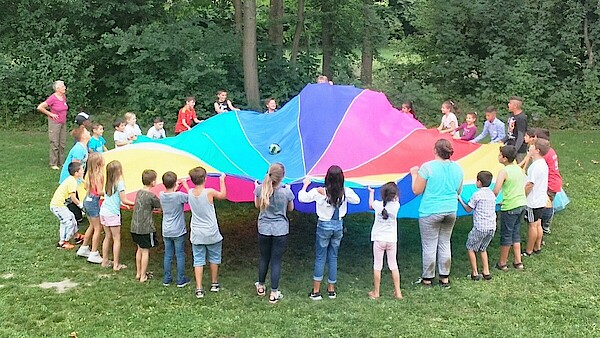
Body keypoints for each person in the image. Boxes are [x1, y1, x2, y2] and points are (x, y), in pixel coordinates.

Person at [299, 165, 360, 300]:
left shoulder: (319, 192)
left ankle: (316, 291)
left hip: (324, 226)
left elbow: (302, 198)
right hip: (338, 225)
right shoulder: (345, 192)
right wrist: (345, 189)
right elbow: (357, 200)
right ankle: (331, 290)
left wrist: (305, 185)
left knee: (321, 257)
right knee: (333, 256)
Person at [410, 139, 464, 288]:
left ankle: (428, 278)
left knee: (429, 245)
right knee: (445, 242)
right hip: (451, 210)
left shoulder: (427, 168)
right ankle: (444, 278)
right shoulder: (458, 168)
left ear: (435, 150)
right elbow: (458, 191)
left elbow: (416, 190)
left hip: (430, 211)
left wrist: (414, 174)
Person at [253, 163, 295, 304]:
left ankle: (261, 286)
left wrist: (256, 190)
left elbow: (258, 206)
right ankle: (274, 293)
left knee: (264, 258)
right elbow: (290, 209)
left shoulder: (260, 189)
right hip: (280, 230)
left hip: (264, 229)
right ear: (282, 176)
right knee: (276, 261)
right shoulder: (286, 192)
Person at [188, 167, 227, 298]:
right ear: (205, 179)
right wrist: (222, 180)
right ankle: (214, 283)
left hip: (197, 233)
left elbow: (188, 189)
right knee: (214, 257)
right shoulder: (209, 192)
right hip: (211, 232)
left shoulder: (190, 193)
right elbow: (223, 195)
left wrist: (183, 183)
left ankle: (199, 288)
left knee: (198, 259)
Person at [492, 145, 527, 272]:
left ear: (505, 158)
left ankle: (502, 263)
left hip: (510, 206)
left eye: (500, 155)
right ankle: (518, 262)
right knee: (515, 233)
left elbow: (496, 190)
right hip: (521, 203)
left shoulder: (504, 172)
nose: (498, 157)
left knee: (506, 235)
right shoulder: (518, 168)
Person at [458, 171, 496, 281]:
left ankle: (475, 273)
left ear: (479, 182)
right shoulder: (492, 195)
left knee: (470, 247)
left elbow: (468, 209)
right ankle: (486, 271)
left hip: (480, 227)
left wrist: (459, 198)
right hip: (491, 227)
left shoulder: (477, 195)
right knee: (483, 248)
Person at [367, 183, 402, 300]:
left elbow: (370, 205)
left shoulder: (378, 205)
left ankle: (376, 292)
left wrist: (371, 192)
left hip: (378, 239)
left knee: (377, 265)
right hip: (391, 239)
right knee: (393, 265)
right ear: (395, 195)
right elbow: (397, 199)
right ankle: (398, 292)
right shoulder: (396, 206)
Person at [100, 160, 135, 271]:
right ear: (119, 171)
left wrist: (121, 203)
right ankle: (116, 264)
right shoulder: (120, 183)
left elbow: (112, 197)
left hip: (104, 211)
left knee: (107, 236)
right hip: (112, 214)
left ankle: (105, 260)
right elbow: (124, 199)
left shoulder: (108, 182)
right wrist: (135, 203)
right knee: (116, 238)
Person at [160, 171, 191, 287]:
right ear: (175, 183)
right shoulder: (179, 196)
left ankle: (167, 278)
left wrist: (175, 188)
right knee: (180, 255)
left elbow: (171, 195)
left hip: (166, 230)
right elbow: (192, 197)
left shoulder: (162, 195)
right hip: (178, 230)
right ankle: (180, 279)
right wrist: (185, 185)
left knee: (167, 255)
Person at [131, 169, 162, 283]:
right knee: (145, 251)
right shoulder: (151, 196)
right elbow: (160, 206)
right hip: (145, 228)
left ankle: (139, 273)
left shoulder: (139, 192)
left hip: (134, 227)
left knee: (139, 249)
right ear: (153, 182)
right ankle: (143, 276)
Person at [522, 139, 549, 257]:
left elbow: (530, 184)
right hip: (541, 199)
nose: (530, 148)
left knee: (532, 225)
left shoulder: (534, 167)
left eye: (532, 147)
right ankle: (537, 247)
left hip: (533, 201)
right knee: (538, 223)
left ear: (537, 150)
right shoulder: (543, 163)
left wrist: (522, 194)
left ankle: (529, 250)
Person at [76, 153, 105, 264]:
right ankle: (94, 253)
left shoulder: (89, 174)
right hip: (93, 202)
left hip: (87, 200)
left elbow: (87, 186)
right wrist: (109, 191)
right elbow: (99, 191)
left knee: (92, 225)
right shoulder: (99, 175)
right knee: (98, 228)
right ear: (99, 163)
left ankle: (84, 248)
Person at [50, 162, 84, 249]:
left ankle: (76, 236)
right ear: (76, 173)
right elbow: (73, 197)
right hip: (57, 206)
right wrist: (81, 206)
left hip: (60, 205)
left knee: (72, 217)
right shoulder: (72, 182)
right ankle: (63, 242)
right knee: (67, 222)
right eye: (81, 169)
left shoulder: (72, 179)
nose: (83, 171)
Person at [534, 129, 562, 234]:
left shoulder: (543, 155)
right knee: (547, 203)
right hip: (554, 181)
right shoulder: (550, 150)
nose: (534, 138)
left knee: (547, 204)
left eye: (536, 137)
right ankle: (544, 224)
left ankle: (545, 225)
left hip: (550, 183)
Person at [504, 96, 528, 163]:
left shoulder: (521, 118)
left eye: (510, 103)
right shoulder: (512, 116)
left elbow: (521, 136)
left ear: (515, 106)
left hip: (518, 149)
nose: (508, 104)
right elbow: (510, 132)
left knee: (519, 165)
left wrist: (515, 150)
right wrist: (502, 141)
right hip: (510, 145)